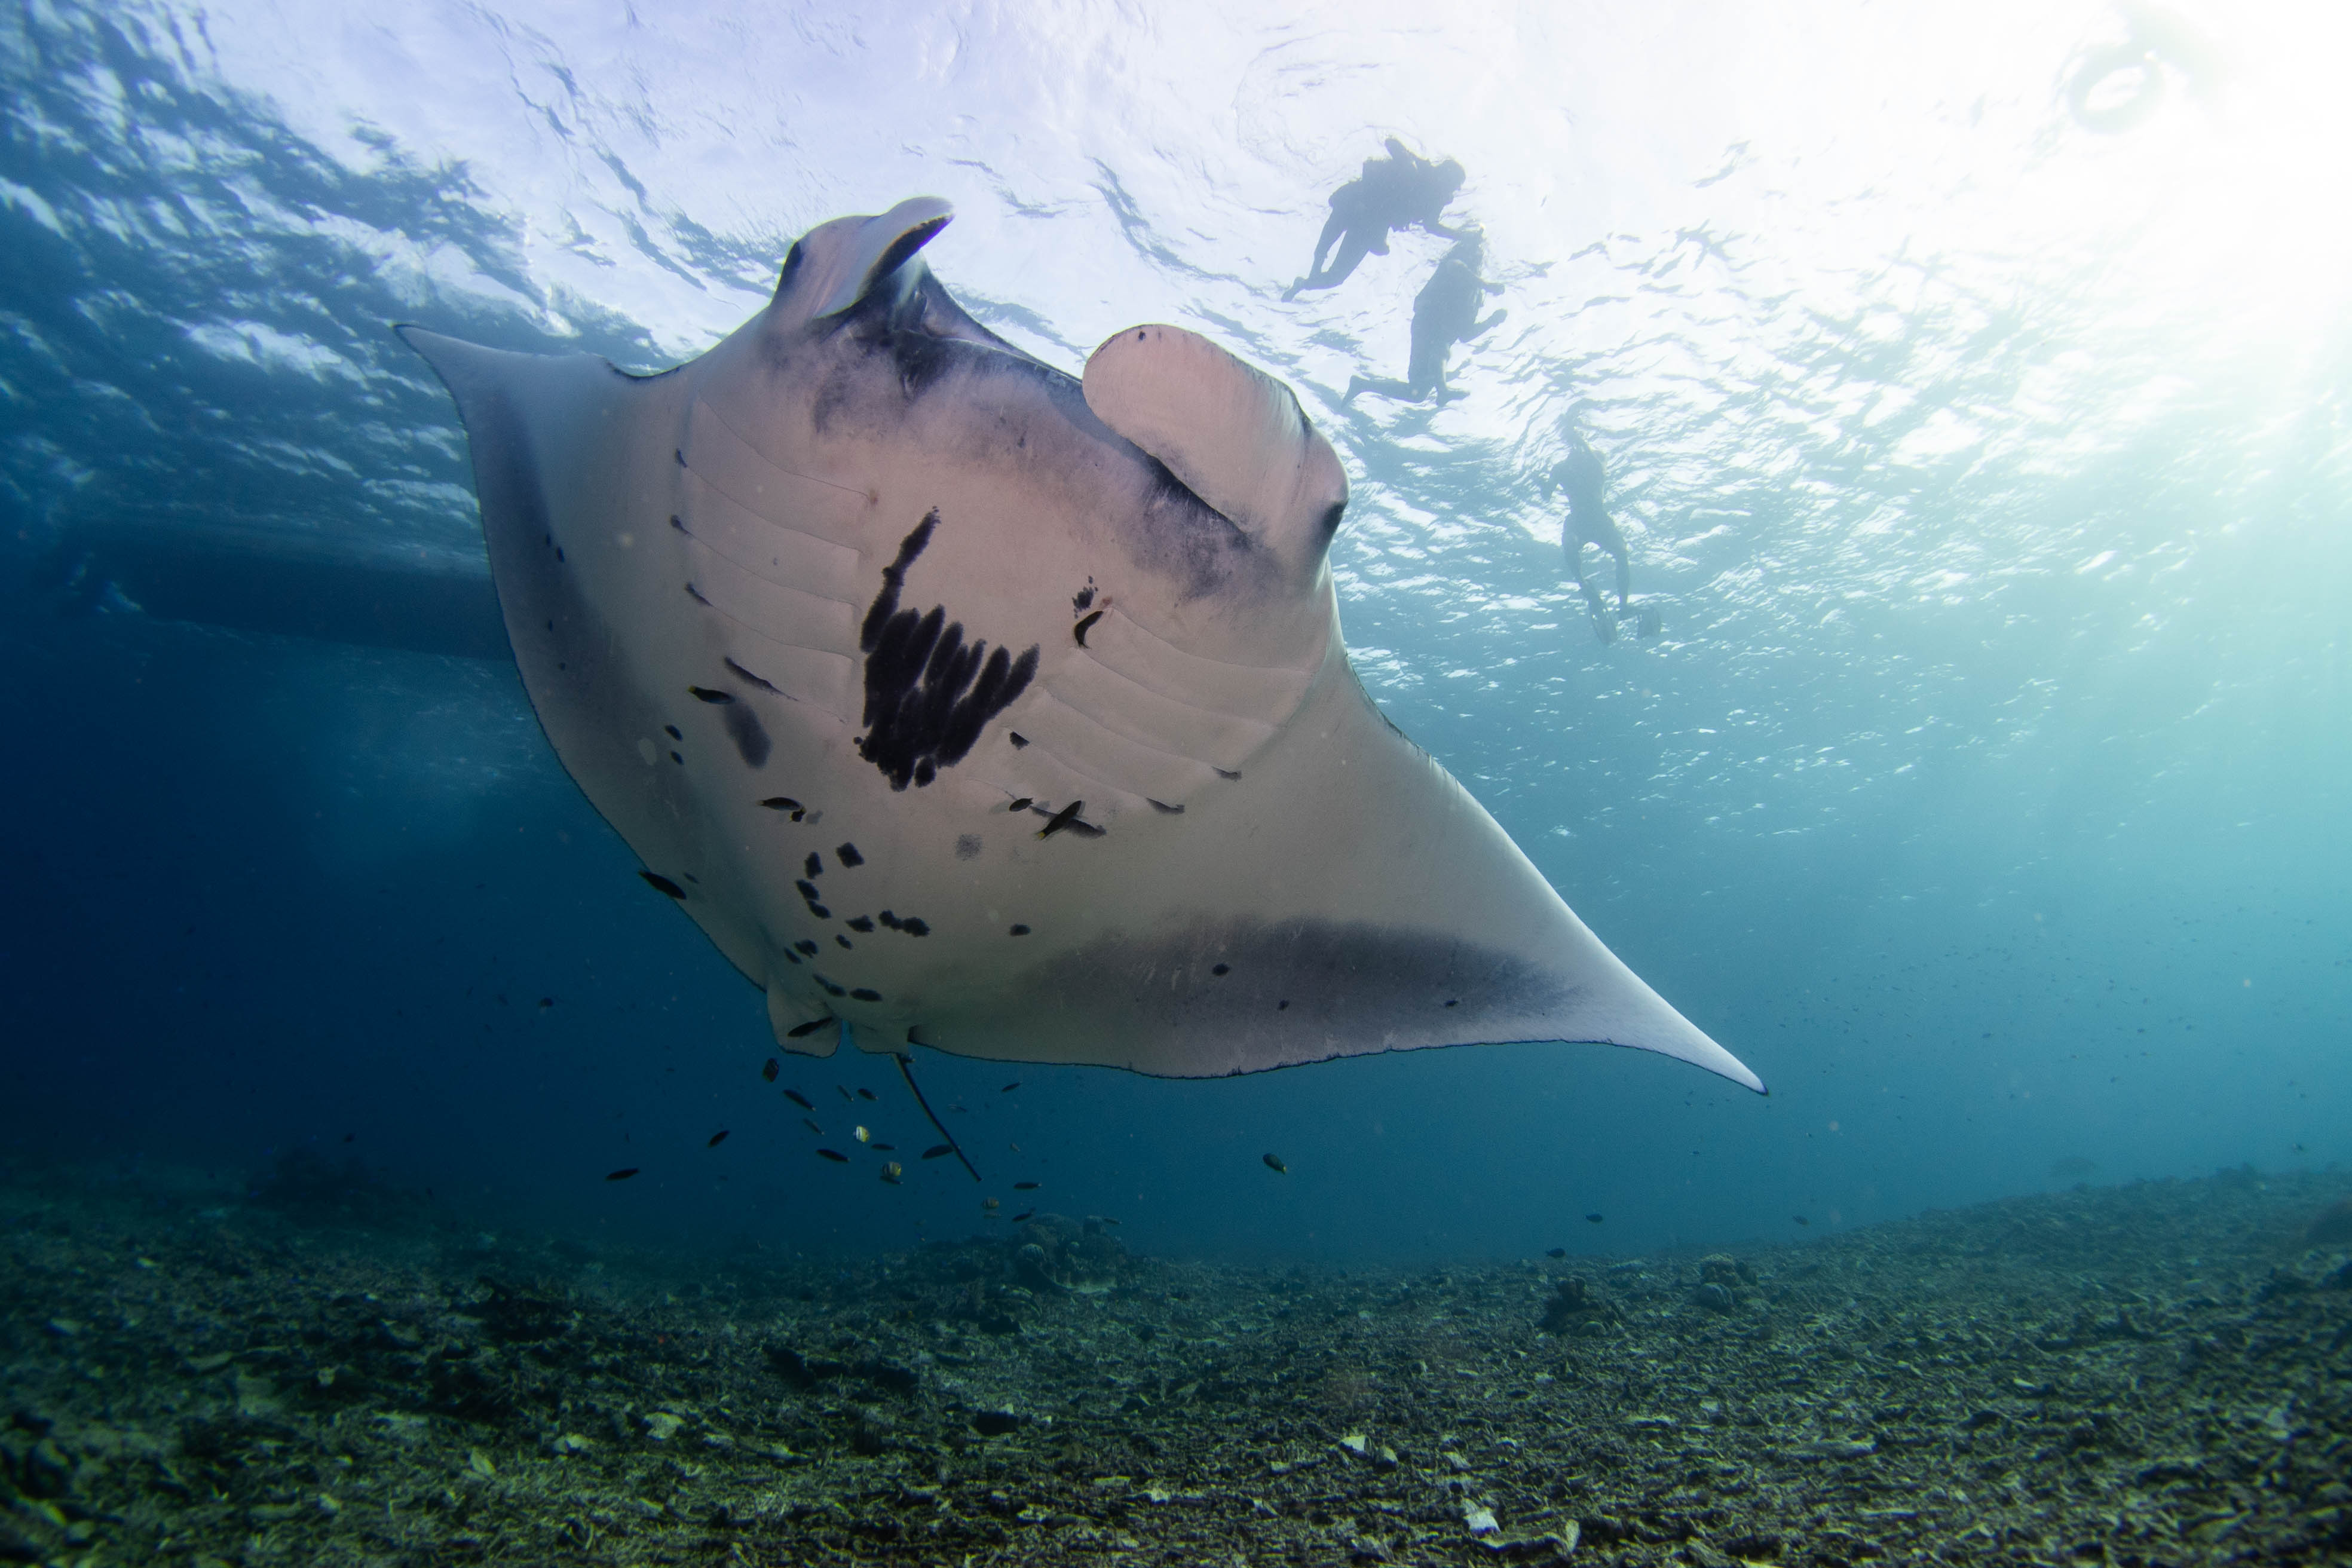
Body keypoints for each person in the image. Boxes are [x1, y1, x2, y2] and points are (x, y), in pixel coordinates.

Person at [1284, 139, 1466, 300]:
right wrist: (1407, 160)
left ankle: (1305, 284)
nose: (1452, 189)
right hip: (1357, 202)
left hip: (1370, 227)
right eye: (1454, 183)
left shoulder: (1436, 201)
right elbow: (1390, 143)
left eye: (1455, 186)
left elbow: (1431, 226)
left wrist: (1461, 236)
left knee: (1336, 278)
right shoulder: (1421, 169)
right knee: (1325, 249)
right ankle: (1313, 272)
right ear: (1445, 172)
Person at [1343, 232, 1506, 406]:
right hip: (1428, 321)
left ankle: (1362, 385)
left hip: (1441, 333)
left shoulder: (1475, 295)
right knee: (1441, 346)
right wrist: (1486, 285)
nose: (1476, 260)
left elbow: (1465, 334)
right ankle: (1443, 390)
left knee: (1418, 394)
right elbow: (1457, 268)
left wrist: (1492, 321)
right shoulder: (1454, 266)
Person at [1543, 429, 1633, 644]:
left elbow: (1600, 469)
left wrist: (1581, 442)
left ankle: (1624, 606)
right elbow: (1547, 495)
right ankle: (1585, 586)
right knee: (1569, 545)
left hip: (1598, 517)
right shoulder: (1562, 468)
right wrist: (1542, 484)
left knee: (1622, 552)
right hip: (1580, 518)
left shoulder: (1597, 458)